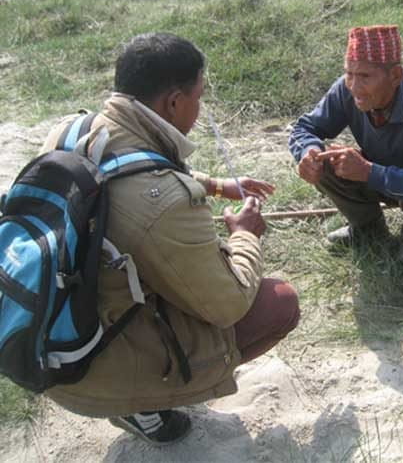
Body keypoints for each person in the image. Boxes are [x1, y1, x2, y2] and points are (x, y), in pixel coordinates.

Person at [40, 33, 300, 445]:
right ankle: (145, 405)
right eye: (199, 96)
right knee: (278, 303)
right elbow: (227, 305)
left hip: (50, 342)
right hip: (91, 374)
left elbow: (123, 168)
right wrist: (245, 236)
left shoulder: (75, 131)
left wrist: (214, 184)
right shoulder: (165, 203)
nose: (200, 108)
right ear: (175, 102)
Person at [288, 25, 403, 257]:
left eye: (365, 76)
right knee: (325, 160)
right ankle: (368, 230)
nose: (355, 87)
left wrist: (369, 172)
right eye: (349, 74)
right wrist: (308, 153)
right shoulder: (346, 88)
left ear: (395, 76)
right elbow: (304, 127)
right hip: (377, 177)